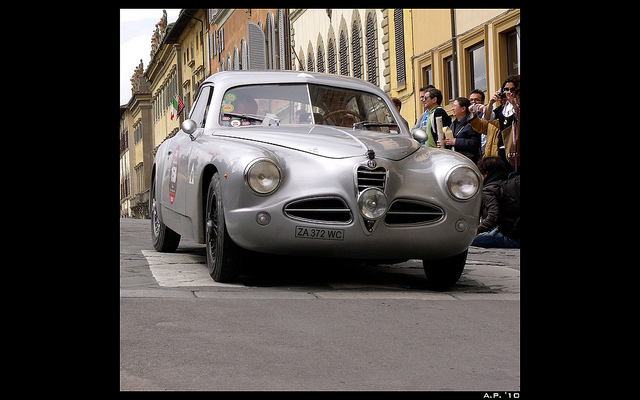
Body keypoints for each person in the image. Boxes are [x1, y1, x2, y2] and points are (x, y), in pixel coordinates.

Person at [468, 76, 520, 173]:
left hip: (515, 151)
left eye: (512, 89)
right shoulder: (502, 108)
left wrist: (513, 103)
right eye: (506, 89)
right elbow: (487, 119)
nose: (508, 92)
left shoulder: (515, 107)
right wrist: (491, 103)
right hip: (501, 151)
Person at [472, 156, 520, 248]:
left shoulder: (489, 190)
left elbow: (494, 216)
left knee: (469, 240)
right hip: (515, 233)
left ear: (485, 173)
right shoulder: (507, 183)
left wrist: (476, 231)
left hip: (511, 236)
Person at [438, 97, 481, 163]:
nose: (452, 108)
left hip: (468, 161)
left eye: (454, 106)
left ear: (463, 109)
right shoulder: (453, 124)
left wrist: (456, 142)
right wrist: (444, 143)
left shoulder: (472, 123)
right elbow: (451, 141)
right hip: (455, 160)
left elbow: (474, 143)